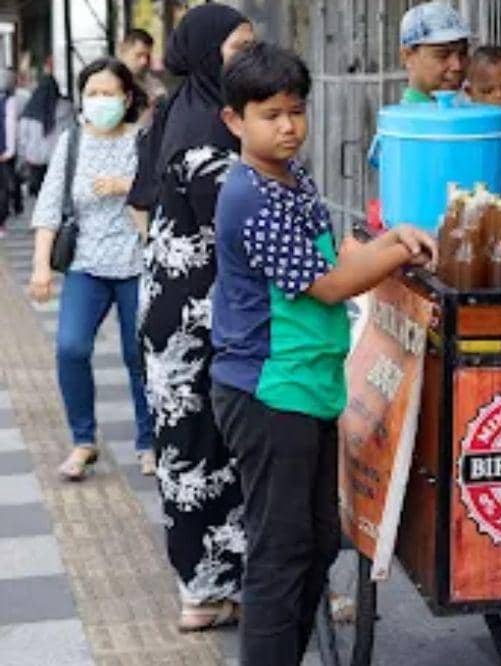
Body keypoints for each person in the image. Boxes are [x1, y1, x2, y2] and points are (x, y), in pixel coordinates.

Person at [211, 42, 436, 665]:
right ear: (235, 121)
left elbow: (333, 256)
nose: (287, 127)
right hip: (267, 393)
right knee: (280, 550)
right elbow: (331, 284)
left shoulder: (292, 177)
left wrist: (391, 238)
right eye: (270, 115)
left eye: (296, 111)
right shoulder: (250, 196)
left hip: (306, 384)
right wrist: (397, 253)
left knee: (314, 540)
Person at [137, 3, 254, 632]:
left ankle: (206, 588)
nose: (249, 59)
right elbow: (237, 232)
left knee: (190, 448)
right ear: (209, 52)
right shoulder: (209, 130)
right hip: (201, 316)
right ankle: (209, 593)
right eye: (238, 48)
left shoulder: (175, 112)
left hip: (169, 308)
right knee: (205, 450)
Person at [26, 58, 153, 480]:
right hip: (86, 264)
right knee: (70, 348)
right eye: (92, 93)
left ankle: (149, 441)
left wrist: (127, 187)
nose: (99, 101)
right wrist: (41, 267)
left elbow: (166, 197)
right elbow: (49, 206)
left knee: (139, 354)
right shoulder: (73, 142)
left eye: (108, 93)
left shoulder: (143, 140)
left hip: (136, 261)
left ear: (127, 97)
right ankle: (83, 440)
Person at [400, 1, 470, 103]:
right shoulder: (408, 118)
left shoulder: (466, 108)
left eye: (463, 53)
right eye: (443, 55)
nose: (457, 66)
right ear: (407, 56)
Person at [18, 73, 74, 196]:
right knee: (57, 191)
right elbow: (71, 133)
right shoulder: (66, 107)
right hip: (58, 156)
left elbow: (23, 137)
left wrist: (23, 155)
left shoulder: (31, 107)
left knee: (40, 192)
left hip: (34, 157)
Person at [118, 28, 168, 123]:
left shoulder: (151, 83)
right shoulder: (106, 81)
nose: (144, 62)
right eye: (139, 55)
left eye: (147, 56)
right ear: (122, 50)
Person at [0, 69, 18, 237]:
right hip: (3, 152)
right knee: (3, 188)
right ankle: (1, 224)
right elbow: (10, 125)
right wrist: (10, 150)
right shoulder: (9, 101)